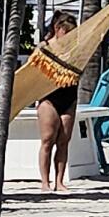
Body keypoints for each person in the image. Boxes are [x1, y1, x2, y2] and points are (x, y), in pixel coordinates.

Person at [35, 11, 82, 191]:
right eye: (66, 32)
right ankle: (45, 182)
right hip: (48, 98)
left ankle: (59, 181)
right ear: (57, 29)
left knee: (63, 141)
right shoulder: (44, 47)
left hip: (68, 97)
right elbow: (31, 70)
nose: (69, 36)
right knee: (47, 140)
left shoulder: (75, 50)